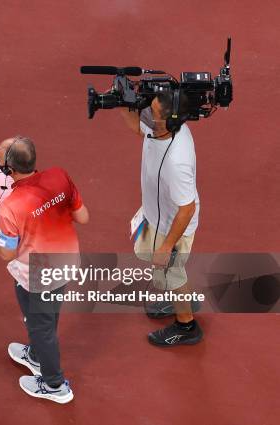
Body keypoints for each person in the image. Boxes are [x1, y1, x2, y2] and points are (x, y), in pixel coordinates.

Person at [0, 136, 89, 404]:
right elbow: (83, 216)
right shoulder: (59, 175)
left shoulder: (11, 205)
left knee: (41, 327)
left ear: (9, 171)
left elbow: (6, 252)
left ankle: (55, 385)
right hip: (66, 261)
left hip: (36, 275)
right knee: (47, 315)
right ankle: (35, 356)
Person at [119, 90, 203, 346]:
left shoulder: (177, 162)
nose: (144, 115)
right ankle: (179, 296)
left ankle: (186, 324)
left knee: (171, 271)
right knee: (164, 269)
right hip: (157, 214)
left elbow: (186, 208)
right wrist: (122, 104)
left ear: (171, 121)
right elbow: (138, 127)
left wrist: (167, 247)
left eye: (151, 114)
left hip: (171, 225)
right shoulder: (160, 129)